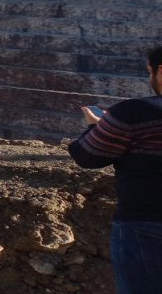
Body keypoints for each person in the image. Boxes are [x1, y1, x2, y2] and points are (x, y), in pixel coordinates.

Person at [69, 44, 162, 294]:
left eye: (149, 71)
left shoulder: (134, 112)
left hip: (146, 227)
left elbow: (88, 156)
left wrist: (96, 127)